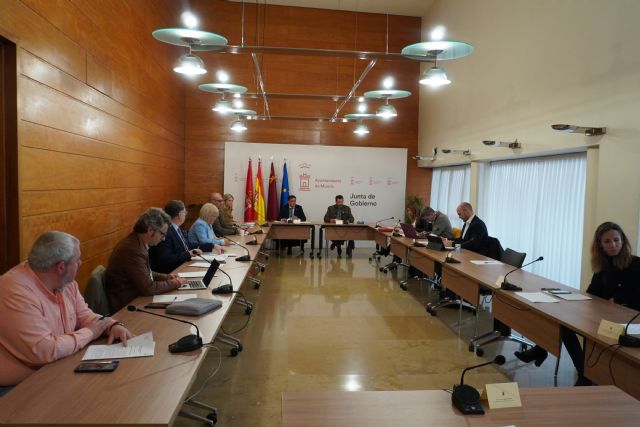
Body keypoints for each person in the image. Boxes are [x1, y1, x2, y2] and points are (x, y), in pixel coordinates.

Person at [0, 231, 132, 388]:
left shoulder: (66, 283)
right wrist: (90, 332)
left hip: (59, 367)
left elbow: (84, 315)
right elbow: (44, 351)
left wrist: (111, 325)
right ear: (61, 267)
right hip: (17, 388)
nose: (80, 263)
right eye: (77, 260)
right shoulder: (15, 292)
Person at [514, 222, 640, 386]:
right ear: (600, 245)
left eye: (616, 240)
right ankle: (581, 371)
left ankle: (547, 353)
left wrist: (614, 301)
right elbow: (593, 293)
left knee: (574, 327)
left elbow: (632, 298)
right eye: (607, 241)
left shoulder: (635, 264)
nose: (613, 245)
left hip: (629, 321)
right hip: (604, 315)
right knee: (563, 321)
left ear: (623, 240)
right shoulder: (603, 264)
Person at [106, 208, 186, 312]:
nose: (163, 239)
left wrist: (166, 277)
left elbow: (145, 272)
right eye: (162, 234)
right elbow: (148, 287)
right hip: (127, 307)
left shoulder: (137, 242)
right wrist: (175, 283)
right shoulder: (133, 250)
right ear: (150, 230)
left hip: (136, 298)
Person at [149, 200, 202, 274]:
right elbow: (166, 259)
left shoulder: (176, 228)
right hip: (171, 272)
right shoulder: (166, 231)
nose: (185, 215)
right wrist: (188, 254)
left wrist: (210, 246)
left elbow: (186, 245)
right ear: (180, 215)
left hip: (183, 266)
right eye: (185, 212)